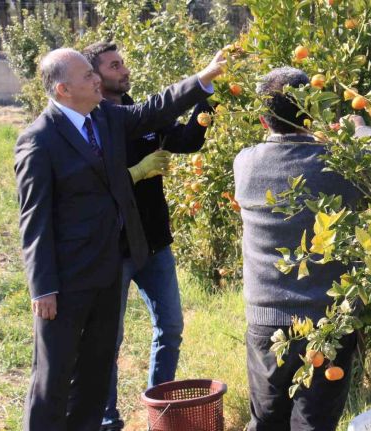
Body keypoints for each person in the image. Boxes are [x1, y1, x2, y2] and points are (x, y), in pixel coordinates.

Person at [15, 47, 224, 431]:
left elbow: (153, 110)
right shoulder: (39, 140)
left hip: (108, 270)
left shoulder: (105, 118)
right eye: (87, 76)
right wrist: (42, 287)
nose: (97, 79)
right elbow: (34, 220)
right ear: (63, 89)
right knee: (54, 377)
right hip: (65, 281)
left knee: (95, 373)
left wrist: (204, 79)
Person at [233, 66, 371, 431]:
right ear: (314, 110)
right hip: (327, 321)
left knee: (266, 420)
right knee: (314, 423)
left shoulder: (245, 163)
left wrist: (316, 137)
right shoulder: (337, 166)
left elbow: (290, 153)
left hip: (266, 320)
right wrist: (359, 129)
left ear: (265, 120)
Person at [81, 41, 213, 431]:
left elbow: (187, 141)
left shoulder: (139, 113)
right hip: (114, 247)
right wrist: (137, 169)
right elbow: (93, 182)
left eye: (123, 63)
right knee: (109, 339)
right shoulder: (93, 121)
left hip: (154, 241)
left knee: (170, 327)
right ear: (94, 76)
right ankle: (107, 419)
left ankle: (162, 410)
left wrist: (210, 101)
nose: (123, 70)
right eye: (114, 65)